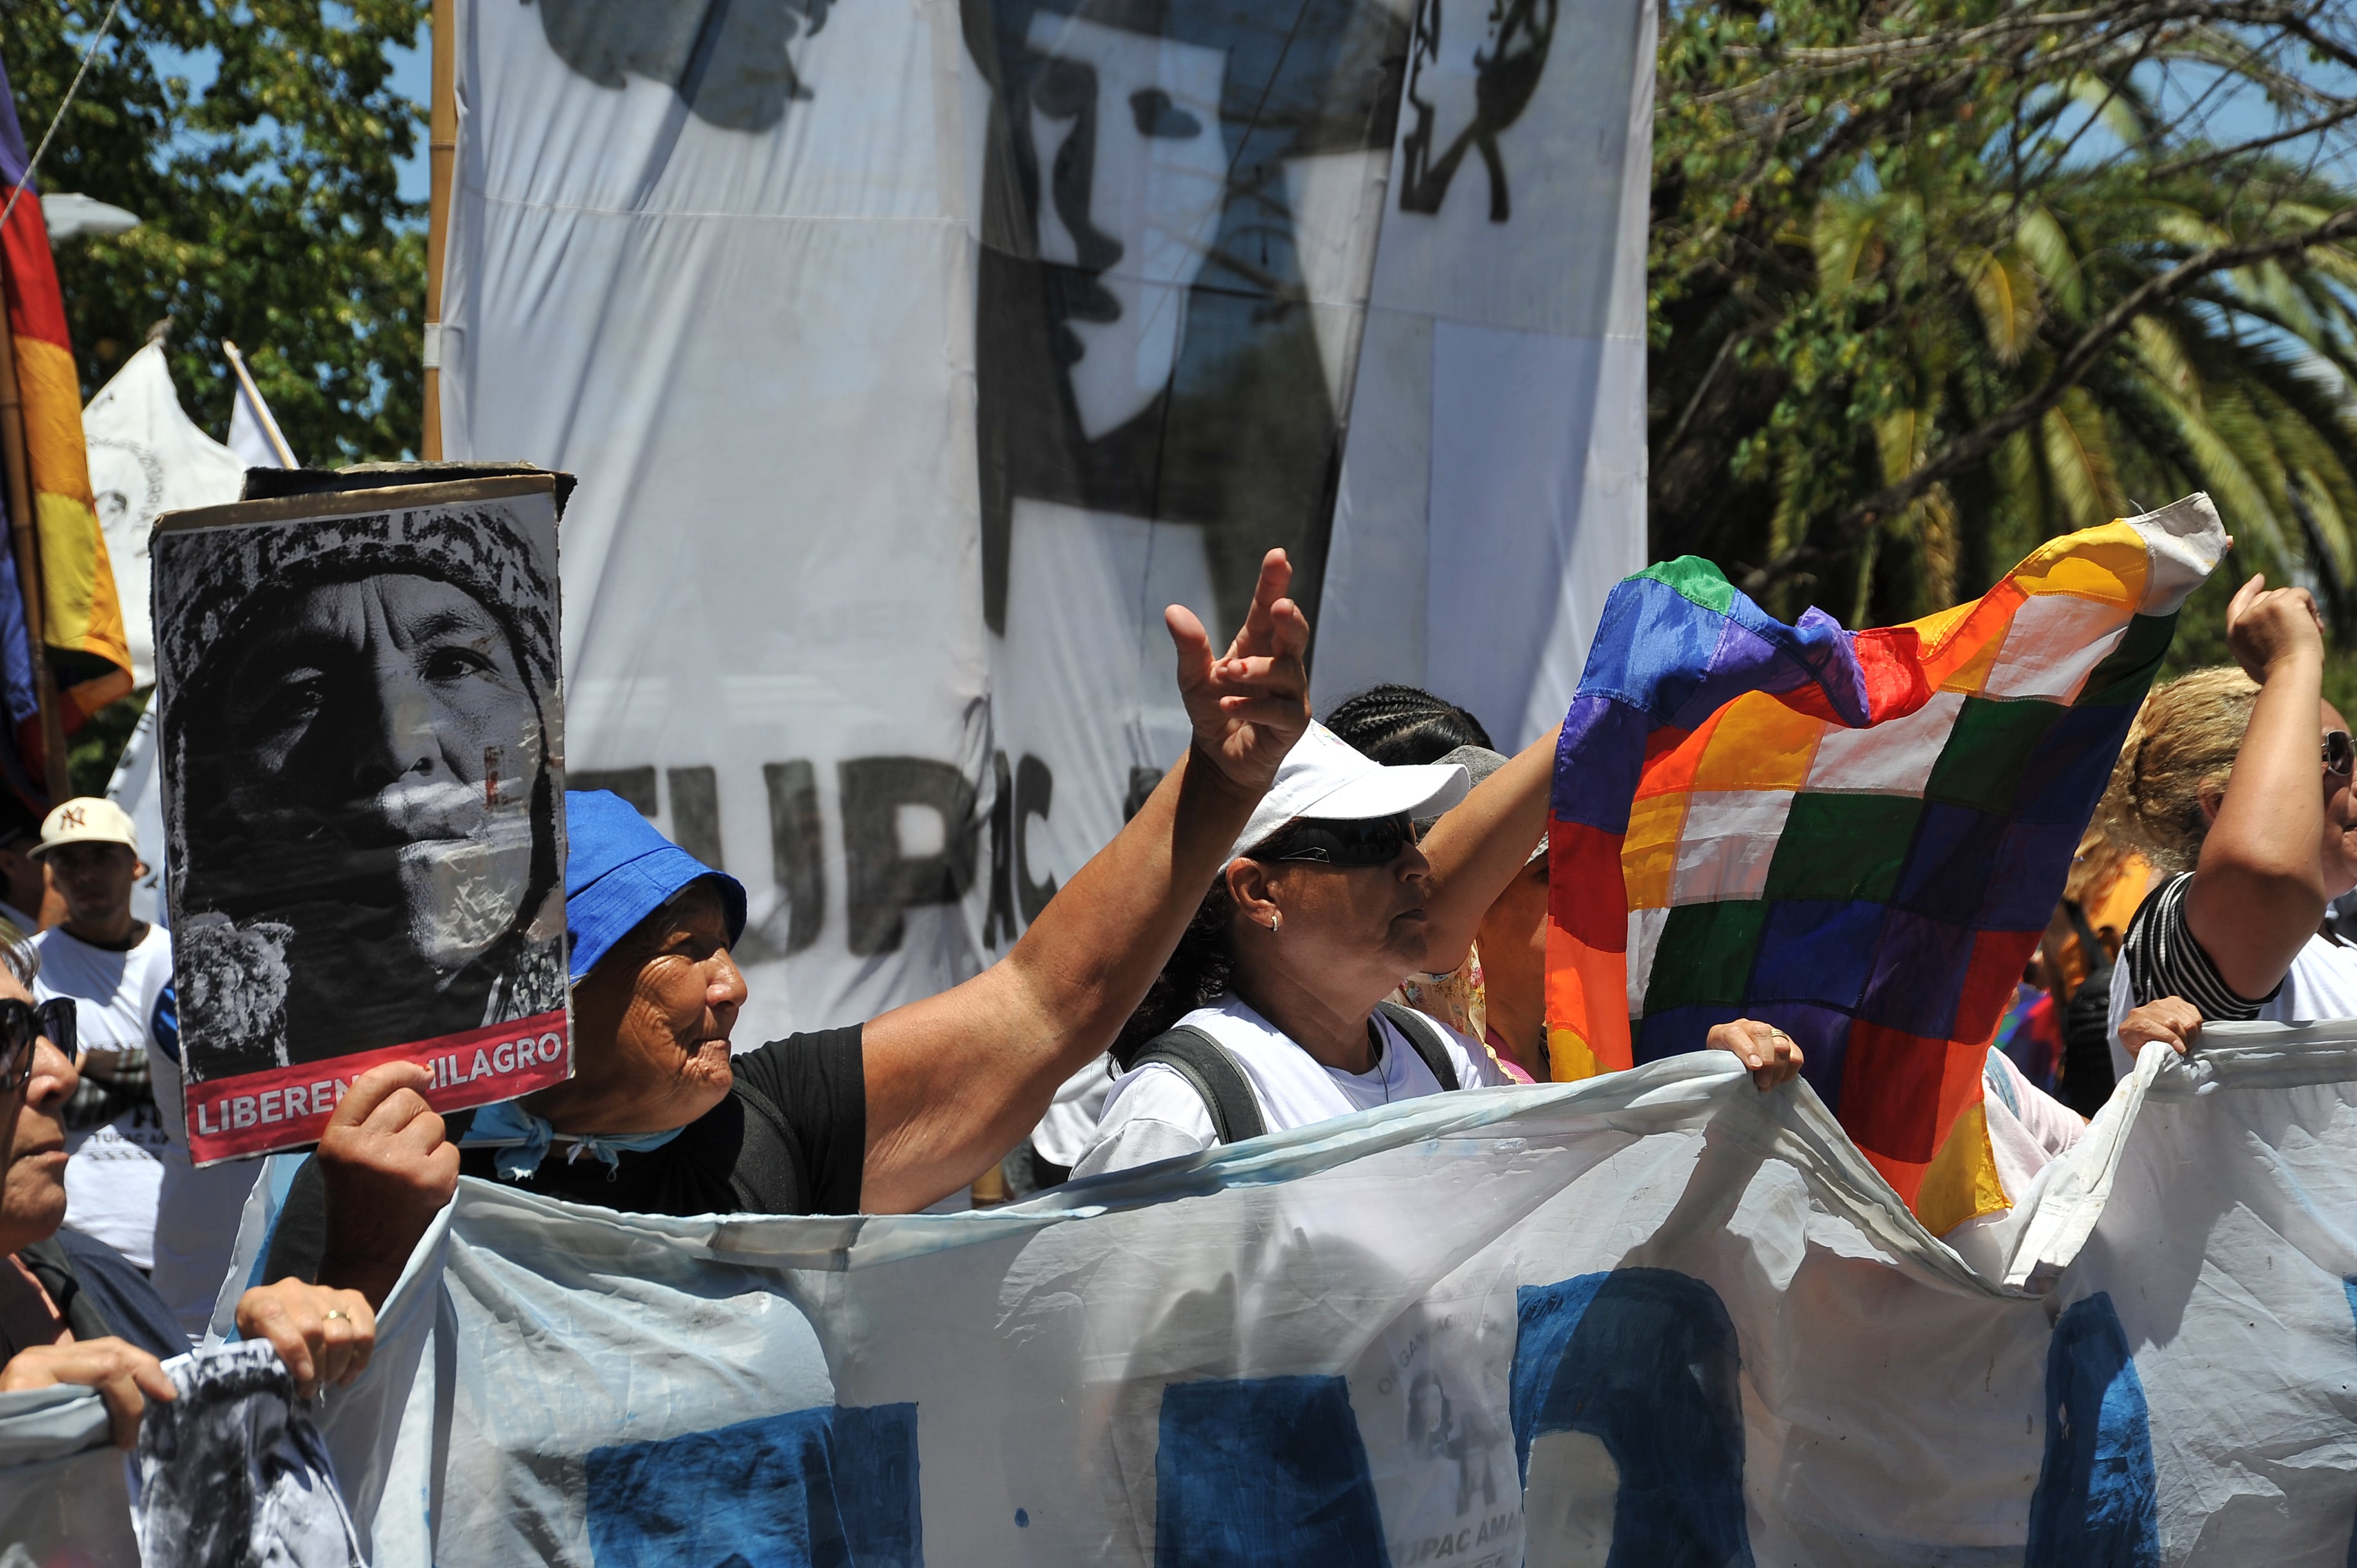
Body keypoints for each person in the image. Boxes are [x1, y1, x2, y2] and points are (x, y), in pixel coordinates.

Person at [261, 550, 1317, 1306]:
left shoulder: (769, 1127)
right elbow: (293, 1466)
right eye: (683, 949)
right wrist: (360, 1263)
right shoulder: (378, 1178)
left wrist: (1218, 789)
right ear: (546, 987)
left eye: (725, 946)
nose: (733, 986)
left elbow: (1043, 1006)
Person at [1071, 723, 1806, 1177]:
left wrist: (1711, 1089)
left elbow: (1585, 1196)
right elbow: (1096, 1372)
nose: (1415, 865)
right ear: (1259, 894)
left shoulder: (1443, 1063)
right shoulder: (1176, 1112)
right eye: (1367, 842)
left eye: (1408, 836)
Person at [158, 496, 567, 1074]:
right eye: (305, 697)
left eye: (453, 665)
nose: (399, 749)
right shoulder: (173, 1037)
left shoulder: (628, 1005)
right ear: (208, 793)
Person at [0, 922, 373, 1450]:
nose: (61, 1071)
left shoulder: (102, 1282)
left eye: (49, 1029)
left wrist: (343, 1288)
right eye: (2, 1038)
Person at [2095, 573, 2357, 1076]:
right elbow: (2265, 875)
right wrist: (2292, 662)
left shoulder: (2334, 945)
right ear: (2221, 803)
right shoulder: (2179, 932)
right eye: (2338, 755)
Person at [27, 799, 174, 1276]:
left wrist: (86, 1061)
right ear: (51, 872)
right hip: (78, 1238)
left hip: (187, 1230)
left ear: (136, 866)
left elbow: (202, 1085)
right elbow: (40, 1100)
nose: (84, 872)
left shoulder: (180, 961)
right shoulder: (23, 971)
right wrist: (157, 1073)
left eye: (100, 856)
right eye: (67, 860)